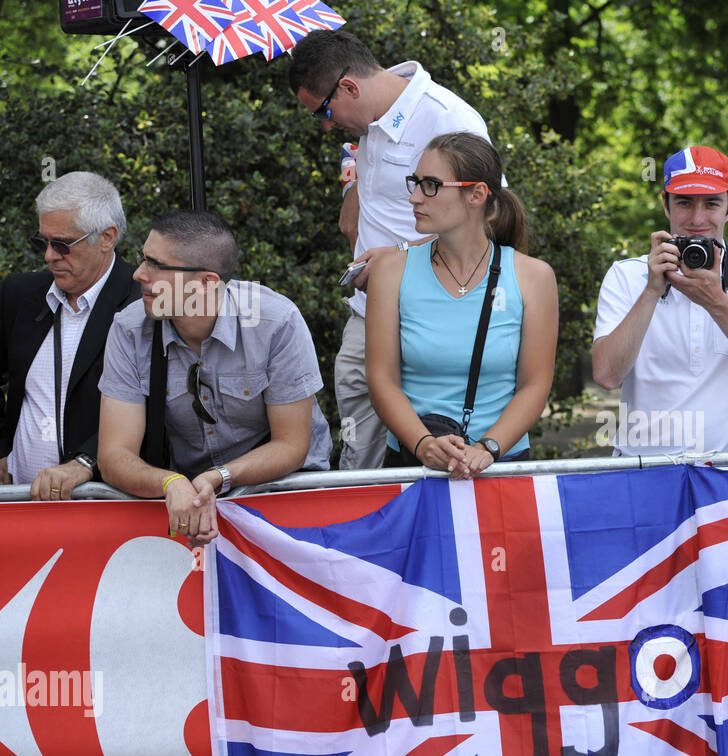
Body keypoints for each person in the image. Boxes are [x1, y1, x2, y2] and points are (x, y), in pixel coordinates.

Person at [289, 29, 496, 471]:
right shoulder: (368, 121)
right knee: (357, 443)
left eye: (324, 111)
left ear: (349, 86)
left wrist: (399, 259)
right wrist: (354, 188)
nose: (326, 124)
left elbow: (492, 221)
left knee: (430, 443)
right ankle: (357, 521)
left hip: (432, 315)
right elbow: (373, 180)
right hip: (367, 313)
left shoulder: (448, 119)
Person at [98, 211, 331, 545]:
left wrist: (218, 478)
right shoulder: (129, 329)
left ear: (207, 282)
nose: (138, 274)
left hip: (284, 493)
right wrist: (171, 483)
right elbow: (114, 456)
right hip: (190, 500)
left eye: (155, 264)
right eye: (141, 258)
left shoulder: (275, 322)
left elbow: (291, 445)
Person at [365, 133, 557, 479]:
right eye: (415, 183)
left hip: (500, 466)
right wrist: (423, 444)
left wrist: (487, 448)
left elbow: (535, 385)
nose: (414, 197)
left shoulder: (534, 277)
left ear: (477, 194)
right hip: (414, 465)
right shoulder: (390, 271)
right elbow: (381, 379)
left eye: (430, 185)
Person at [592, 146, 728, 455]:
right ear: (666, 204)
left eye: (712, 203)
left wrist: (717, 302)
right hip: (646, 467)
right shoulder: (627, 276)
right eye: (684, 202)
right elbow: (606, 375)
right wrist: (651, 291)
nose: (697, 219)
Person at [1, 171, 138, 500]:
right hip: (16, 501)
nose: (49, 256)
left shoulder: (141, 303)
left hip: (99, 505)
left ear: (107, 237)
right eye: (43, 242)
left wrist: (85, 463)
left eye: (62, 244)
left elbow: (155, 406)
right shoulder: (20, 294)